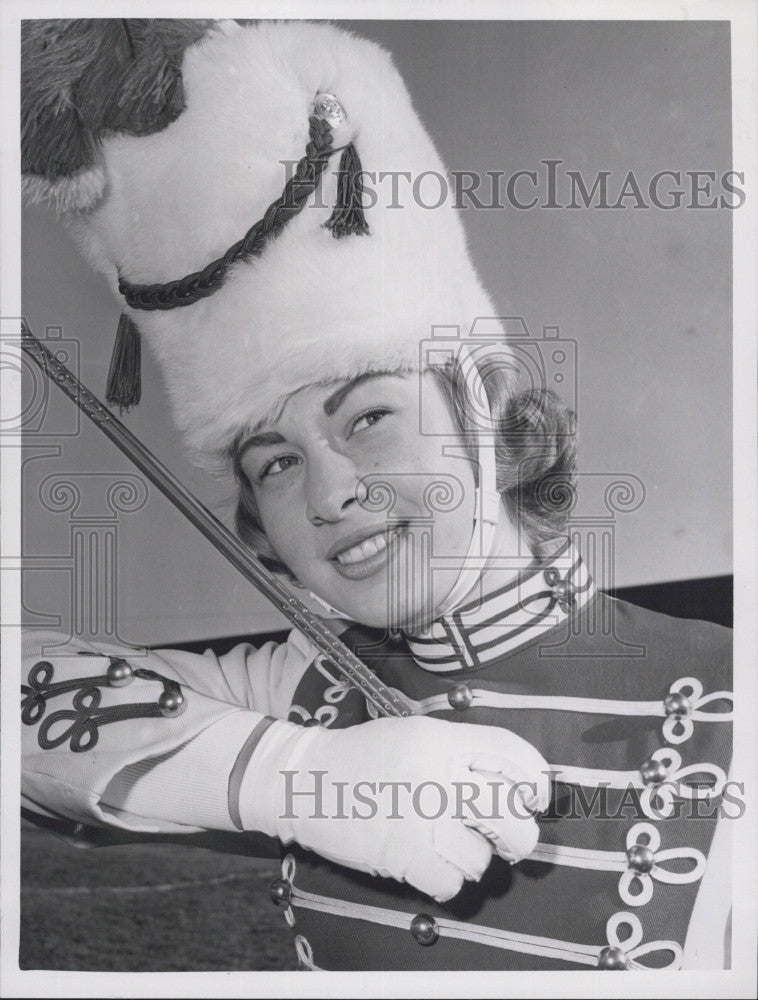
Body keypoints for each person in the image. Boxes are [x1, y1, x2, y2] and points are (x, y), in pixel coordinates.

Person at [20, 18, 732, 972]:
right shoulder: (293, 689)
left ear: (485, 403)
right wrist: (293, 776)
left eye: (367, 420)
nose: (329, 493)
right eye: (273, 462)